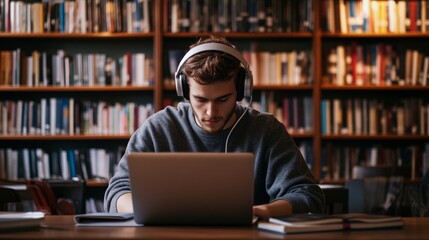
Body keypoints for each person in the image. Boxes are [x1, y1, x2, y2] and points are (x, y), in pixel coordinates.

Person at [104, 36, 325, 218]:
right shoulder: (158, 128)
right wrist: (150, 210)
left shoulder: (267, 130)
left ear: (240, 91)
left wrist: (260, 211)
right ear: (184, 90)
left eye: (222, 99)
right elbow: (117, 192)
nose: (211, 112)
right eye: (200, 99)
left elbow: (308, 196)